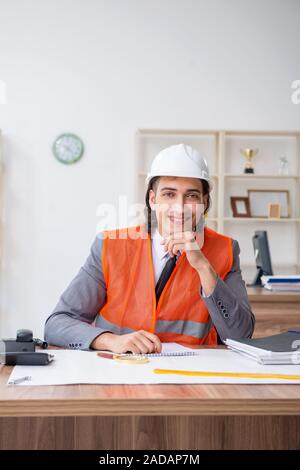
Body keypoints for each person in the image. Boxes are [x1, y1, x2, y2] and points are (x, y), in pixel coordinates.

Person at [44, 143, 255, 353]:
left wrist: (203, 267)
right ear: (153, 200)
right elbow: (57, 324)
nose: (180, 208)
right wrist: (110, 341)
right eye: (169, 194)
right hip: (117, 372)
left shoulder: (225, 250)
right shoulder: (110, 246)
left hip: (189, 378)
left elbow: (240, 336)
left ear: (204, 202)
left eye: (191, 196)